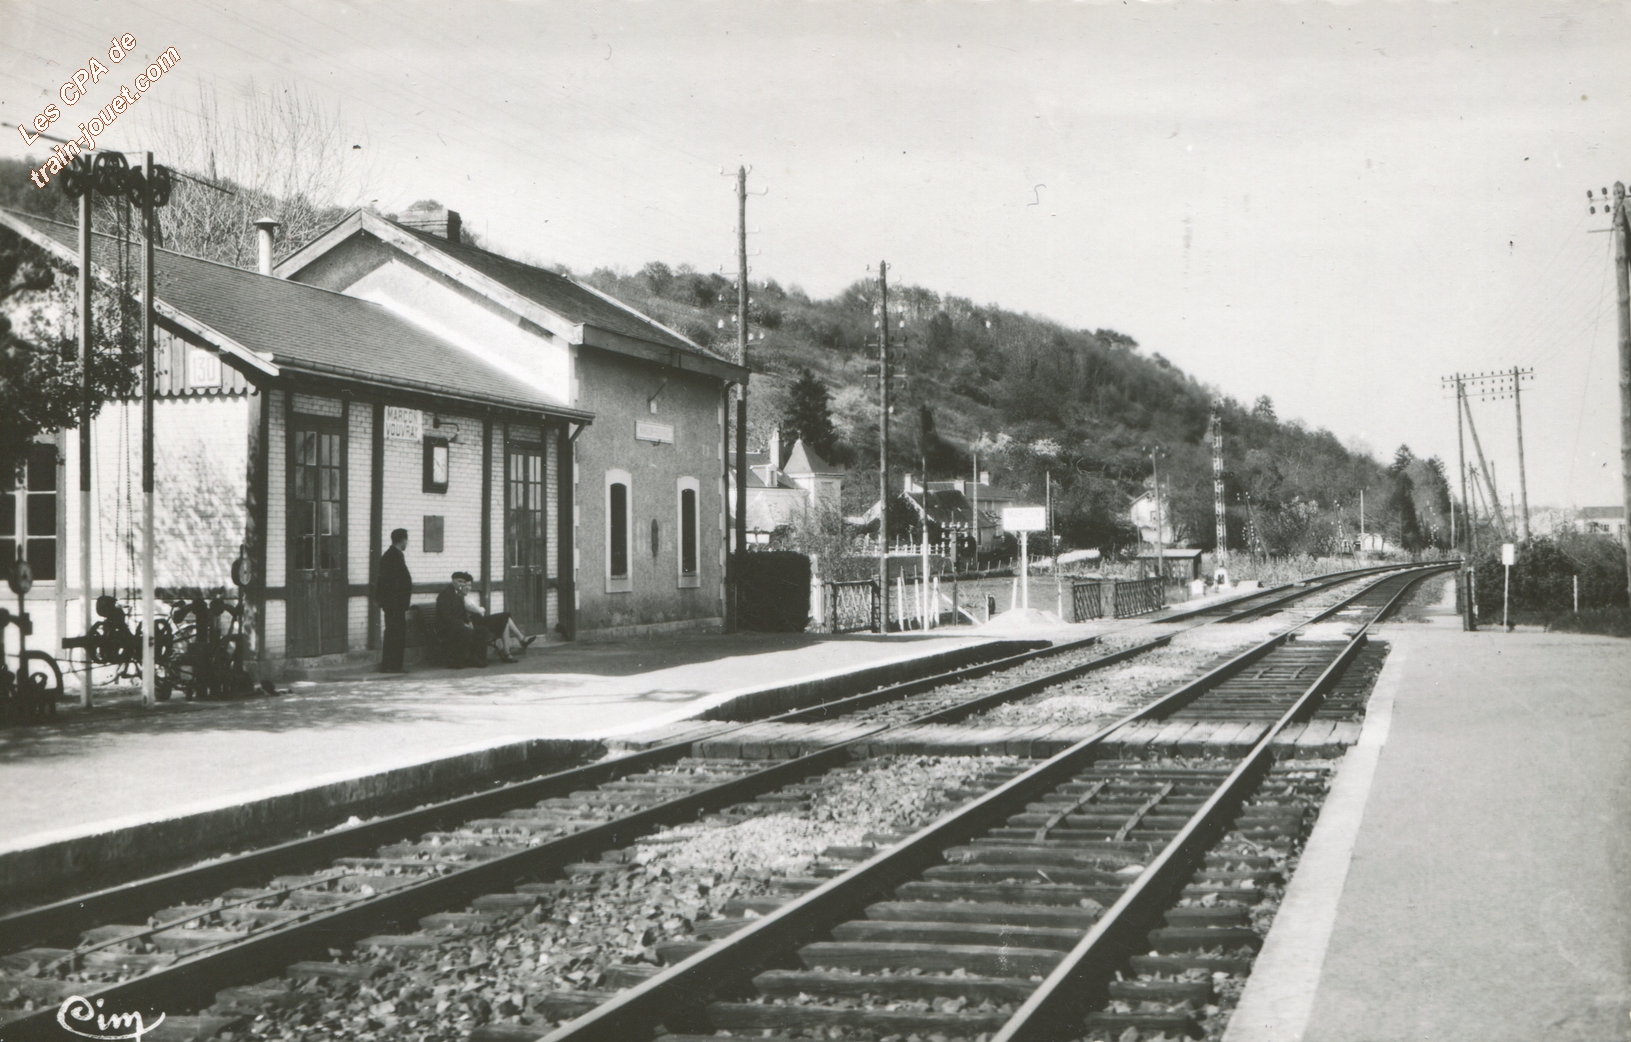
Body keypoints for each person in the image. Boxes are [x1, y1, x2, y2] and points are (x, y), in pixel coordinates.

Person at [461, 587, 535, 662]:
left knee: (505, 621)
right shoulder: (462, 598)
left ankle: (508, 653)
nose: (467, 587)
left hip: (479, 620)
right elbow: (479, 610)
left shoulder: (467, 598)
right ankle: (519, 642)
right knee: (505, 616)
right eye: (465, 584)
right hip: (476, 622)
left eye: (469, 585)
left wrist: (480, 610)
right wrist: (481, 609)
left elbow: (478, 611)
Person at [435, 571, 489, 668]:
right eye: (459, 581)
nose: (462, 584)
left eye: (464, 582)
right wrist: (463, 624)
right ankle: (457, 661)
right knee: (465, 631)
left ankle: (477, 659)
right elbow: (446, 616)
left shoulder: (459, 594)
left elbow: (463, 612)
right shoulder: (445, 594)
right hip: (446, 627)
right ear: (453, 581)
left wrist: (469, 621)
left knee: (482, 630)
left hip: (458, 625)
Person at [377, 529, 412, 673]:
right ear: (403, 540)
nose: (407, 543)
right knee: (395, 633)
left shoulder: (392, 555)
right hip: (395, 603)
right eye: (406, 540)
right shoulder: (393, 556)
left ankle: (393, 665)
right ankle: (392, 665)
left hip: (394, 602)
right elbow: (391, 582)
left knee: (395, 632)